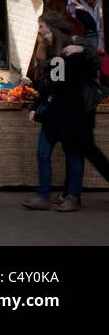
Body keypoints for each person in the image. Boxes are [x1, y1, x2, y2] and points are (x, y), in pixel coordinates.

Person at [22, 11, 109, 212]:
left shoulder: (72, 52)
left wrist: (40, 87)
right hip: (54, 112)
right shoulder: (53, 52)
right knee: (45, 152)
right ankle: (45, 195)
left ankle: (71, 196)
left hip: (71, 113)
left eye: (42, 26)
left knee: (73, 154)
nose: (40, 31)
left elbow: (56, 83)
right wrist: (37, 104)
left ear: (51, 28)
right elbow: (52, 82)